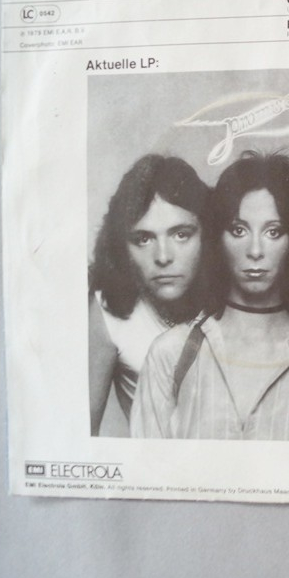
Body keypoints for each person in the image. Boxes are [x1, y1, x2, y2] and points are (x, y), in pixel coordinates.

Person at [131, 151, 289, 441]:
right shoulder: (170, 355)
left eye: (273, 232)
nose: (255, 250)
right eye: (239, 230)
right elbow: (146, 468)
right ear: (218, 237)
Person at [88, 154, 210, 436]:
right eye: (143, 239)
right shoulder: (108, 312)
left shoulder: (237, 298)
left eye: (181, 234)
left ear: (206, 235)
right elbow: (80, 436)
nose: (163, 257)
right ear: (122, 246)